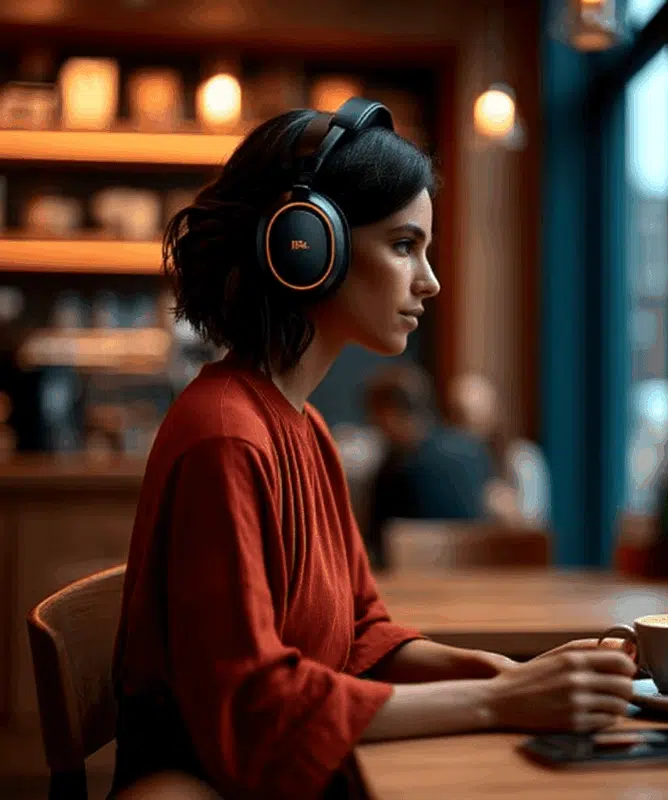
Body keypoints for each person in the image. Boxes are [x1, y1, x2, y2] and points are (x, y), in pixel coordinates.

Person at [110, 98, 635, 800]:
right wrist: (496, 704)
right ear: (307, 246)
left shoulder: (305, 427)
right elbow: (254, 709)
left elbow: (361, 635)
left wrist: (502, 674)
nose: (431, 280)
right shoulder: (225, 435)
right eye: (402, 245)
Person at [363, 362, 497, 569]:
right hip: (479, 576)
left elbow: (374, 543)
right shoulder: (472, 449)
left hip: (413, 586)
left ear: (389, 412)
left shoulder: (396, 467)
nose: (372, 424)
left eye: (375, 415)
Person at [448, 371, 551, 527]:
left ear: (494, 412)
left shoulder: (522, 458)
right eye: (460, 416)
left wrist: (504, 507)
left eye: (477, 415)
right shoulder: (449, 464)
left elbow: (534, 525)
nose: (469, 429)